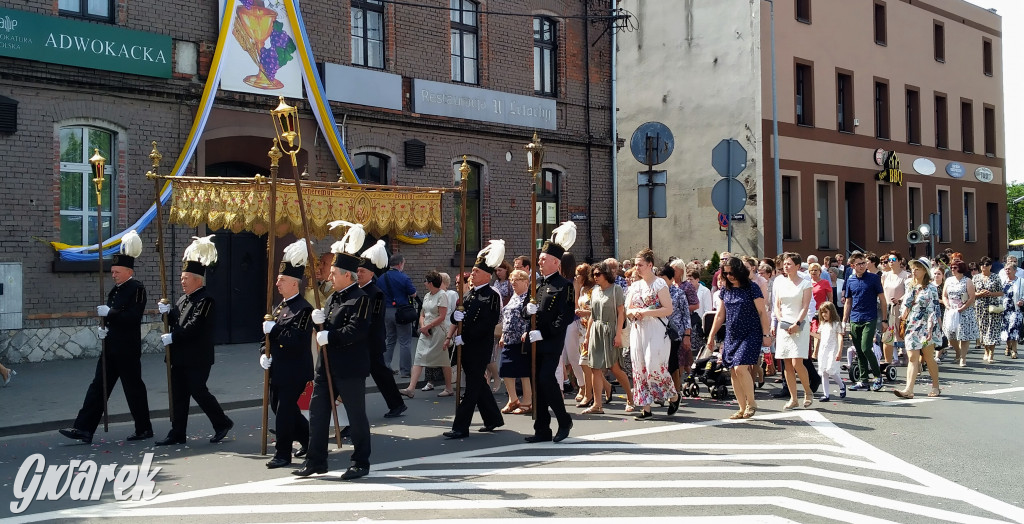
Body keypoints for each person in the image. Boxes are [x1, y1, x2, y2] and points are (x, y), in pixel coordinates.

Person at [59, 231, 152, 444]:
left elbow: (133, 317)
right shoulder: (115, 291)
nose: (113, 275)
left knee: (133, 389)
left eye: (117, 272)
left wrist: (110, 314)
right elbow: (114, 319)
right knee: (98, 388)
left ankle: (144, 428)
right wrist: (105, 329)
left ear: (129, 271)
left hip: (127, 349)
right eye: (112, 272)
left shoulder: (137, 289)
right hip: (110, 347)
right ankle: (83, 429)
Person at [298, 245, 372, 479]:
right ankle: (316, 460)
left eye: (333, 273)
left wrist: (330, 336)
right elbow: (325, 328)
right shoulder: (332, 298)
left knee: (356, 416)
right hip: (326, 366)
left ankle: (360, 462)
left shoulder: (361, 299)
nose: (330, 276)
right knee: (318, 414)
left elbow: (356, 331)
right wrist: (317, 322)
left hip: (349, 367)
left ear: (347, 275)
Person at [156, 235, 233, 446]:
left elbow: (195, 326)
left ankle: (222, 422)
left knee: (198, 391)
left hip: (197, 357)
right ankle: (177, 432)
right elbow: (175, 320)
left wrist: (173, 336)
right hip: (179, 356)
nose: (182, 281)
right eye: (182, 278)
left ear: (198, 279)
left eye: (186, 278)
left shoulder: (206, 300)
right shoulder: (183, 299)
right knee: (178, 395)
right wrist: (165, 313)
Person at [259, 239, 314, 469]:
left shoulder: (304, 309)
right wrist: (264, 353)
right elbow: (267, 338)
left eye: (281, 280)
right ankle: (309, 439)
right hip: (278, 368)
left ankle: (283, 454)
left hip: (294, 370)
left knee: (283, 412)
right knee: (281, 407)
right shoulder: (280, 307)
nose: (277, 283)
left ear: (294, 283)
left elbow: (296, 340)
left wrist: (275, 330)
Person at [444, 240, 506, 438]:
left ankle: (460, 427)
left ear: (487, 275)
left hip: (479, 346)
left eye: (476, 272)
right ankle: (493, 418)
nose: (472, 274)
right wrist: (456, 318)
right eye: (472, 271)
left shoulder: (491, 295)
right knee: (478, 383)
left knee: (471, 388)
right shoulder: (469, 294)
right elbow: (456, 316)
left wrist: (465, 336)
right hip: (466, 346)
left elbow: (488, 323)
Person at [523, 222, 577, 443]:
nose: (540, 262)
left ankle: (564, 420)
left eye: (544, 259)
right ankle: (542, 428)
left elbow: (566, 316)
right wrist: (527, 311)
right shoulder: (536, 284)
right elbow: (524, 310)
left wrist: (544, 334)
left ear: (556, 262)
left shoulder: (565, 286)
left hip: (551, 342)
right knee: (537, 383)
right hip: (533, 341)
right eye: (540, 259)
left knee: (546, 379)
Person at [705, 256, 771, 419]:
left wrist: (766, 334)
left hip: (751, 333)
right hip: (732, 334)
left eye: (732, 273)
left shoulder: (752, 287)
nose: (729, 276)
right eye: (726, 273)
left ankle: (751, 403)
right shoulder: (725, 290)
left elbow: (762, 312)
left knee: (740, 367)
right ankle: (741, 408)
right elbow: (720, 315)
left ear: (739, 271)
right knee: (733, 371)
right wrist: (711, 336)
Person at [625, 248, 679, 419]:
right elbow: (627, 309)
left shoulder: (659, 284)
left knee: (653, 364)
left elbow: (668, 309)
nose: (637, 268)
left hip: (656, 329)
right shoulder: (635, 286)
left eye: (640, 264)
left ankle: (673, 395)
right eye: (635, 265)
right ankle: (646, 408)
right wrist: (633, 312)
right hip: (638, 329)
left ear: (650, 265)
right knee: (639, 366)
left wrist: (646, 312)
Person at [359, 240, 408, 418]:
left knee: (381, 374)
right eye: (357, 271)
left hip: (372, 341)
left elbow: (374, 319)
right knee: (377, 374)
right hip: (363, 341)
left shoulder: (375, 293)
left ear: (371, 273)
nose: (358, 274)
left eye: (362, 271)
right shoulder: (359, 291)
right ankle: (396, 404)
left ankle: (397, 404)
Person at [582, 261, 628, 414]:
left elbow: (621, 313)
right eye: (593, 274)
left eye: (598, 274)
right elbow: (592, 315)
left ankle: (630, 397)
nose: (595, 277)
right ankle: (597, 405)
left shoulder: (616, 289)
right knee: (595, 367)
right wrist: (587, 336)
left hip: (611, 329)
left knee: (615, 368)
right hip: (596, 330)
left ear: (606, 274)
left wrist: (618, 334)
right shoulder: (595, 291)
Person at [893, 259, 943, 398]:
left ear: (925, 271)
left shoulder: (931, 288)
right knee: (912, 357)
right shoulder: (910, 285)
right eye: (913, 268)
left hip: (927, 325)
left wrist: (938, 328)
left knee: (928, 357)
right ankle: (908, 390)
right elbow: (907, 305)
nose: (914, 271)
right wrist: (901, 320)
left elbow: (936, 309)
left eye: (917, 269)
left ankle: (935, 386)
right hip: (912, 324)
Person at [772, 253, 815, 409]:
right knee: (787, 363)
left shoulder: (805, 284)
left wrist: (797, 323)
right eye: (785, 264)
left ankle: (808, 391)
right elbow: (777, 305)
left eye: (789, 264)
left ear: (797, 266)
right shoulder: (780, 283)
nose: (786, 266)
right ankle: (793, 398)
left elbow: (805, 306)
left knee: (797, 362)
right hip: (784, 325)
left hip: (800, 324)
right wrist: (780, 320)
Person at [400, 271, 452, 398]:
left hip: (437, 332)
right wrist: (423, 326)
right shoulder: (428, 295)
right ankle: (411, 388)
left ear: (431, 283)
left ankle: (449, 388)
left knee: (443, 361)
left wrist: (428, 327)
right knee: (419, 357)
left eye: (426, 281)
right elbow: (422, 313)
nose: (424, 283)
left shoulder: (442, 295)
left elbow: (442, 316)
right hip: (425, 331)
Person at [842, 252, 887, 392]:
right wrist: (844, 321)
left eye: (863, 263)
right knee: (859, 351)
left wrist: (884, 320)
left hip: (870, 317)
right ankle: (863, 381)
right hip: (855, 318)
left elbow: (883, 300)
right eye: (859, 264)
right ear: (852, 266)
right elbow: (848, 302)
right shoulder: (850, 280)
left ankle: (878, 376)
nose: (862, 266)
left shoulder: (873, 278)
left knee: (866, 347)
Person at [498, 269, 533, 415]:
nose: (513, 282)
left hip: (522, 340)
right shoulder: (513, 297)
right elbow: (507, 317)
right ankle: (513, 399)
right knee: (505, 368)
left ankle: (527, 401)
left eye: (517, 279)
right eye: (512, 279)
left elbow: (532, 317)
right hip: (509, 339)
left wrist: (528, 332)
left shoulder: (529, 298)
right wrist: (502, 335)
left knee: (524, 371)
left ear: (526, 282)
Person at [380, 254, 417, 377]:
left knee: (390, 339)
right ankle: (405, 371)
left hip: (387, 311)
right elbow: (413, 294)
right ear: (400, 264)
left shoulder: (382, 278)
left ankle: (386, 367)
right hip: (401, 312)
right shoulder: (404, 277)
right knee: (405, 342)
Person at [941, 260, 978, 367]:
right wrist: (947, 305)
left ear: (960, 268)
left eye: (955, 268)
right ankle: (958, 351)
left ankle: (963, 358)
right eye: (951, 267)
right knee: (950, 335)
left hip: (964, 311)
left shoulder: (967, 281)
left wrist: (963, 307)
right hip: (951, 310)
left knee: (964, 335)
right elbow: (944, 295)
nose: (952, 269)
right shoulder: (948, 280)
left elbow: (971, 297)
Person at [880, 252, 910, 365]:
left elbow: (910, 293)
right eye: (889, 260)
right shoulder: (885, 275)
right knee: (887, 336)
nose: (891, 262)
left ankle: (911, 359)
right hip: (888, 309)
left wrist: (900, 300)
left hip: (901, 309)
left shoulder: (906, 276)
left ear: (899, 261)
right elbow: (881, 292)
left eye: (893, 260)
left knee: (903, 334)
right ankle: (888, 361)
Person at [974, 256, 1004, 364]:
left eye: (986, 264)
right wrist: (979, 294)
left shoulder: (996, 277)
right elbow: (971, 293)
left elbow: (1001, 292)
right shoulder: (976, 278)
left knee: (992, 330)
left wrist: (991, 293)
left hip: (993, 306)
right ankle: (986, 350)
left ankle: (991, 353)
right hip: (980, 307)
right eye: (982, 264)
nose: (984, 266)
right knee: (982, 330)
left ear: (990, 266)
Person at [812, 302, 845, 401]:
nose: (823, 314)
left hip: (832, 350)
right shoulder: (823, 324)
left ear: (831, 311)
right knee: (824, 372)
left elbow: (840, 338)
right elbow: (820, 337)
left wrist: (839, 351)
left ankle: (841, 385)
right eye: (822, 312)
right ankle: (826, 395)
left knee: (831, 369)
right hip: (823, 350)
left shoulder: (836, 324)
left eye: (826, 312)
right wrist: (810, 333)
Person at [1001, 262, 1023, 360]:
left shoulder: (1021, 281)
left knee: (1014, 328)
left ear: (1015, 271)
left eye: (1009, 269)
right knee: (1006, 328)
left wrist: (1022, 300)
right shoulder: (1003, 281)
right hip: (1004, 309)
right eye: (1006, 269)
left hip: (1015, 309)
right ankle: (1008, 346)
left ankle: (1014, 350)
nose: (1007, 271)